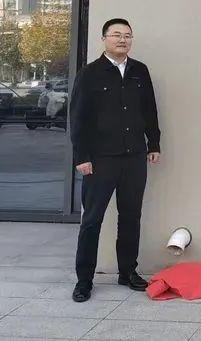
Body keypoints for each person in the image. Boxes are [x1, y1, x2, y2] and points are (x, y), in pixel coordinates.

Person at [70, 18, 161, 303]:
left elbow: (149, 109)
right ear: (104, 39)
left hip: (134, 156)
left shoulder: (139, 71)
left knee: (131, 216)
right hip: (100, 159)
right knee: (92, 220)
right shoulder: (90, 74)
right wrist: (81, 156)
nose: (123, 40)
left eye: (127, 35)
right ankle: (84, 280)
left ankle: (128, 272)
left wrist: (153, 143)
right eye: (117, 35)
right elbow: (78, 117)